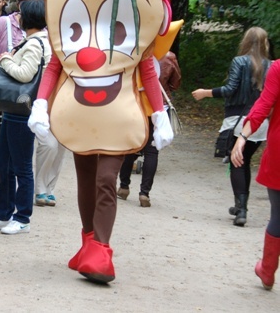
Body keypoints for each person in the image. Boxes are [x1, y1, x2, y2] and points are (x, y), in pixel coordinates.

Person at [27, 0, 174, 283]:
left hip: (119, 117)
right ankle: (88, 241)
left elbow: (148, 72)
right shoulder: (72, 29)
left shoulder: (130, 30)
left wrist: (159, 114)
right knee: (86, 181)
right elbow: (55, 66)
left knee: (107, 179)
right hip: (79, 114)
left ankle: (102, 251)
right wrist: (41, 105)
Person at [0, 0, 50, 234]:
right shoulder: (39, 41)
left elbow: (24, 74)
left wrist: (5, 59)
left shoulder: (34, 44)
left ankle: (22, 218)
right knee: (5, 164)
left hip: (22, 111)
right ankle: (3, 213)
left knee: (20, 167)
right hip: (15, 111)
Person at [192, 27, 271, 226]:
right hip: (260, 123)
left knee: (237, 162)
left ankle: (241, 209)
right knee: (244, 161)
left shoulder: (239, 61)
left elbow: (230, 89)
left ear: (245, 41)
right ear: (265, 43)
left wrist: (205, 92)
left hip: (238, 120)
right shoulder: (271, 66)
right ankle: (240, 206)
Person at [231, 59, 280, 290]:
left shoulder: (278, 68)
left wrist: (242, 136)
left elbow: (263, 105)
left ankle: (267, 271)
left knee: (278, 216)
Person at [118, 51, 182, 207]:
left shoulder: (135, 52)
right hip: (159, 107)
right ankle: (144, 194)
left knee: (131, 147)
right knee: (152, 151)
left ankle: (124, 187)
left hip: (137, 106)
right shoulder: (169, 56)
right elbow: (176, 83)